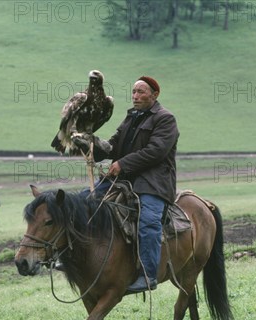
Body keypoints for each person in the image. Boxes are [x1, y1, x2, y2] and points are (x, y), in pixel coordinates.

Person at [75, 76, 179, 293]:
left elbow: (156, 151)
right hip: (123, 180)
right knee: (81, 201)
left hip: (153, 182)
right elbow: (114, 146)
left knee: (148, 221)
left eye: (141, 92)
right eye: (133, 92)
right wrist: (92, 143)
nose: (135, 96)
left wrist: (123, 163)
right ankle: (74, 256)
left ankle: (148, 275)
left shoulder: (165, 119)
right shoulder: (131, 118)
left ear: (154, 95)